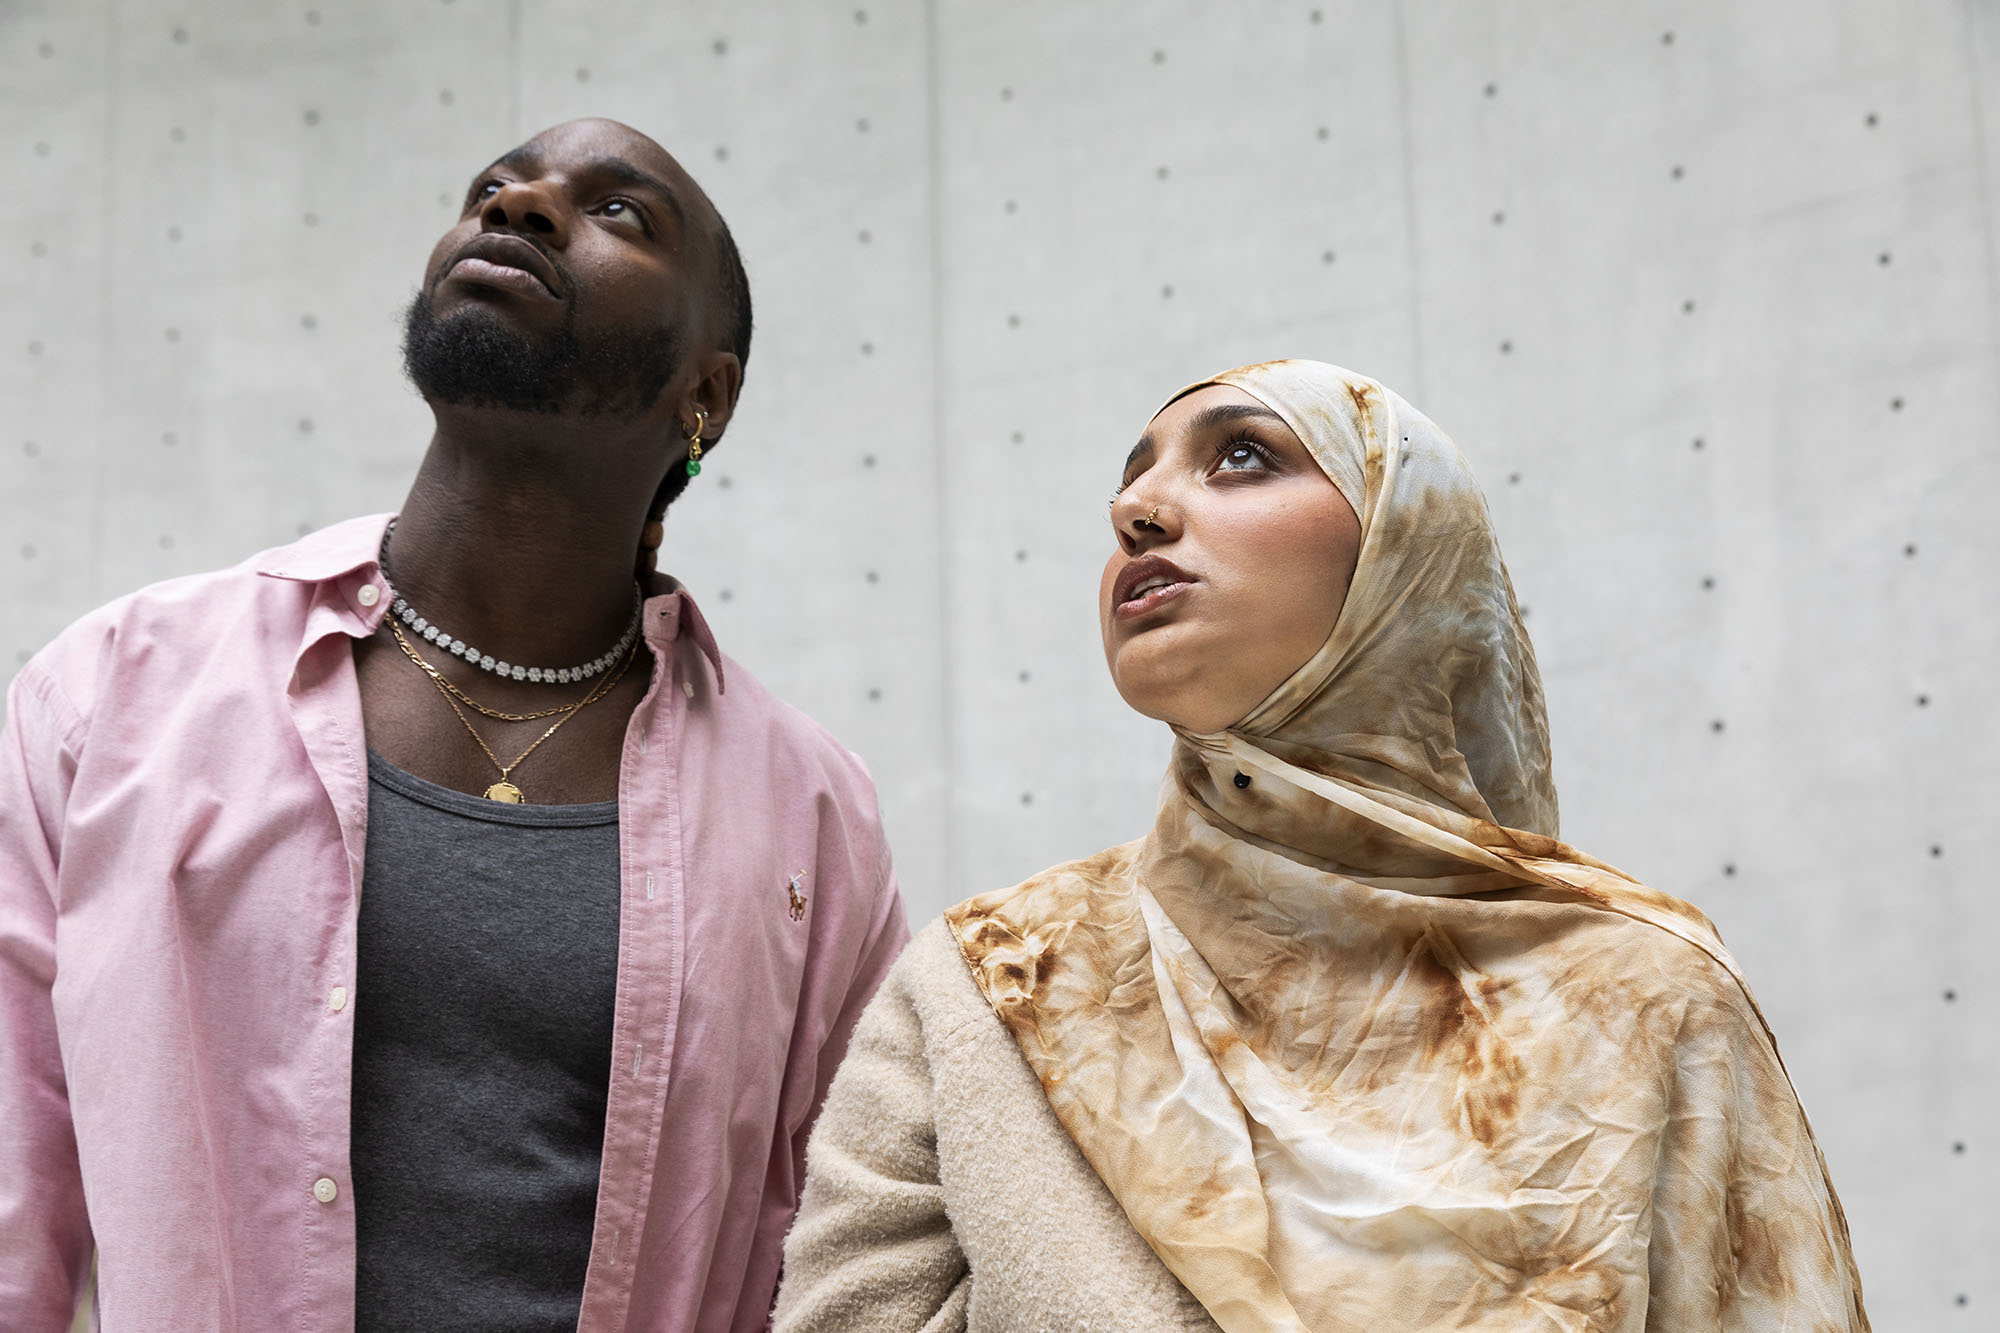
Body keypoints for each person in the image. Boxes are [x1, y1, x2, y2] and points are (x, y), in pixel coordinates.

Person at [0, 118, 909, 1331]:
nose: (520, 204)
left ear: (707, 392)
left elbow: (851, 1258)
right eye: (494, 186)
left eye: (619, 212)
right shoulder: (116, 694)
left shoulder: (810, 816)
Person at [771, 360, 1868, 1331]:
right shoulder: (998, 979)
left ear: (1404, 553)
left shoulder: (1647, 992)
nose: (1136, 510)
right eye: (1130, 477)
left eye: (1241, 458)